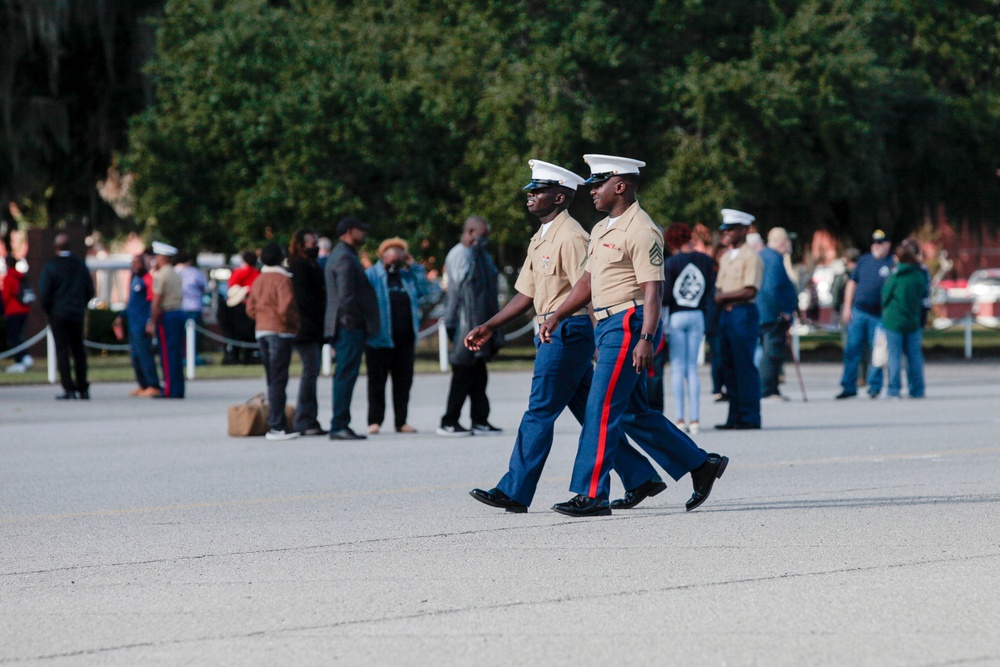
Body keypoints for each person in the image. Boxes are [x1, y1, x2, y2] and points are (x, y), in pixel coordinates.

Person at [467, 159, 665, 513]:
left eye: (539, 191)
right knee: (594, 413)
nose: (530, 196)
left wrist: (599, 341)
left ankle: (514, 490)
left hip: (569, 331)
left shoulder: (573, 236)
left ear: (560, 198)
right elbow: (525, 294)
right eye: (531, 190)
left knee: (540, 411)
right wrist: (491, 325)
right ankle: (639, 476)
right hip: (556, 326)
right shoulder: (541, 237)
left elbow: (590, 290)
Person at [539, 154, 727, 517]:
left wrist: (647, 337)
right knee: (633, 413)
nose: (591, 190)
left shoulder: (642, 230)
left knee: (600, 408)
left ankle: (591, 494)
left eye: (599, 184)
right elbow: (588, 282)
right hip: (608, 325)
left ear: (620, 187)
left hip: (630, 324)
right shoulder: (601, 229)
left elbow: (653, 290)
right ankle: (701, 465)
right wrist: (559, 315)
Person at [437, 216, 503, 437]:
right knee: (462, 373)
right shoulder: (460, 254)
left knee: (479, 374)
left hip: (480, 322)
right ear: (471, 232)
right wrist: (453, 325)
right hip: (464, 323)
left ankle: (480, 420)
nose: (486, 239)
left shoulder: (481, 255)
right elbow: (457, 292)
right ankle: (449, 421)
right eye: (483, 235)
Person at [365, 237, 433, 434]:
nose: (396, 257)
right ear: (383, 255)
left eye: (400, 253)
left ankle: (401, 421)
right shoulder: (372, 275)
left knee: (403, 382)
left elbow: (425, 291)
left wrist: (414, 267)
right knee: (377, 382)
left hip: (405, 339)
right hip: (379, 339)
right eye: (393, 253)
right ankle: (374, 421)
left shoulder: (407, 277)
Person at [324, 216, 380, 440]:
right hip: (348, 327)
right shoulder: (345, 258)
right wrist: (356, 322)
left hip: (347, 325)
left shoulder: (342, 255)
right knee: (345, 376)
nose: (364, 234)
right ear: (349, 231)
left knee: (344, 375)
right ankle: (339, 424)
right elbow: (346, 297)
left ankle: (340, 422)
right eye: (360, 230)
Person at [713, 209, 765, 430]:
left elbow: (750, 290)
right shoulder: (726, 257)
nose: (726, 233)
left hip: (743, 313)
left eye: (731, 229)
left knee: (744, 365)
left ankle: (750, 416)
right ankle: (734, 416)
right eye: (725, 229)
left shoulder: (750, 257)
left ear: (744, 230)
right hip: (727, 314)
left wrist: (722, 297)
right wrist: (721, 298)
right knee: (728, 366)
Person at [662, 222, 715, 434]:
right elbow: (710, 289)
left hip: (677, 315)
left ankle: (680, 419)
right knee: (692, 368)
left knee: (677, 367)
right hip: (698, 315)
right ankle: (695, 420)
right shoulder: (706, 261)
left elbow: (665, 296)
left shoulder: (671, 263)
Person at [246, 242, 300, 440]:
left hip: (262, 331)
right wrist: (292, 323)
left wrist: (262, 318)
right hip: (280, 333)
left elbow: (250, 308)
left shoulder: (259, 279)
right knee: (279, 379)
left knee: (271, 378)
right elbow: (285, 306)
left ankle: (274, 421)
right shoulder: (282, 279)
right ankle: (277, 426)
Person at [836, 230, 894, 399]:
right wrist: (847, 307)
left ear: (888, 245)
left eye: (880, 243)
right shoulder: (864, 260)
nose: (876, 246)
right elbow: (852, 284)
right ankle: (848, 385)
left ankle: (874, 386)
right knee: (852, 349)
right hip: (859, 311)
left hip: (879, 314)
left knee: (877, 352)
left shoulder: (891, 263)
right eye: (874, 243)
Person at [38, 233, 95, 399]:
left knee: (62, 350)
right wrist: (80, 306)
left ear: (56, 247)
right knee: (78, 350)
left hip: (58, 314)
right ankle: (83, 387)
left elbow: (45, 293)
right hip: (76, 313)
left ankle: (68, 388)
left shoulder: (51, 267)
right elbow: (89, 290)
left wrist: (50, 311)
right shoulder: (80, 265)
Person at [287, 228, 328, 436]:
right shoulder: (300, 265)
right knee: (310, 373)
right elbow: (304, 300)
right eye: (311, 242)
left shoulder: (312, 264)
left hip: (313, 328)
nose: (315, 245)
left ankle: (309, 417)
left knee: (312, 372)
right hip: (305, 329)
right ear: (301, 245)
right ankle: (304, 418)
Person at [881, 239, 928, 399]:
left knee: (894, 356)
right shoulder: (919, 274)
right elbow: (923, 294)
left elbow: (885, 296)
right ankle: (917, 389)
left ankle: (894, 389)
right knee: (914, 356)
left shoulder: (895, 273)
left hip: (893, 320)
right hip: (913, 319)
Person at [757, 227, 799, 402]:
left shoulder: (765, 255)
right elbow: (772, 288)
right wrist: (783, 310)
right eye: (788, 241)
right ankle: (768, 390)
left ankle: (771, 387)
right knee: (772, 352)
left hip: (765, 313)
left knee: (770, 351)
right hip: (773, 314)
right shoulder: (774, 259)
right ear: (782, 242)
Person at [114, 253, 162, 397]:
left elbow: (152, 302)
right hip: (133, 323)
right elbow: (131, 304)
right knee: (135, 356)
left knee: (145, 355)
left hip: (142, 324)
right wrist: (121, 316)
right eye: (133, 263)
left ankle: (153, 384)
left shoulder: (148, 280)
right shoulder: (134, 279)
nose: (135, 265)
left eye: (138, 263)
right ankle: (143, 384)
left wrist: (150, 322)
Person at [150, 241, 186, 398]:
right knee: (176, 353)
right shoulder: (176, 273)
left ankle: (169, 389)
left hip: (167, 315)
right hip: (178, 312)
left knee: (167, 353)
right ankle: (178, 388)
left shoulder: (161, 274)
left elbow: (157, 300)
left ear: (162, 258)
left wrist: (152, 321)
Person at [221, 251, 260, 365]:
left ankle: (235, 357)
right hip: (252, 308)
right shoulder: (257, 273)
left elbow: (231, 287)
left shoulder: (239, 272)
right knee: (250, 335)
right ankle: (249, 357)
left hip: (238, 308)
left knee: (236, 335)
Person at [2, 256, 33, 373]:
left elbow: (5, 296)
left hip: (13, 311)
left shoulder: (9, 277)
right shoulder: (21, 276)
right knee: (20, 335)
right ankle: (25, 357)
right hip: (24, 310)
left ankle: (20, 361)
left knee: (14, 337)